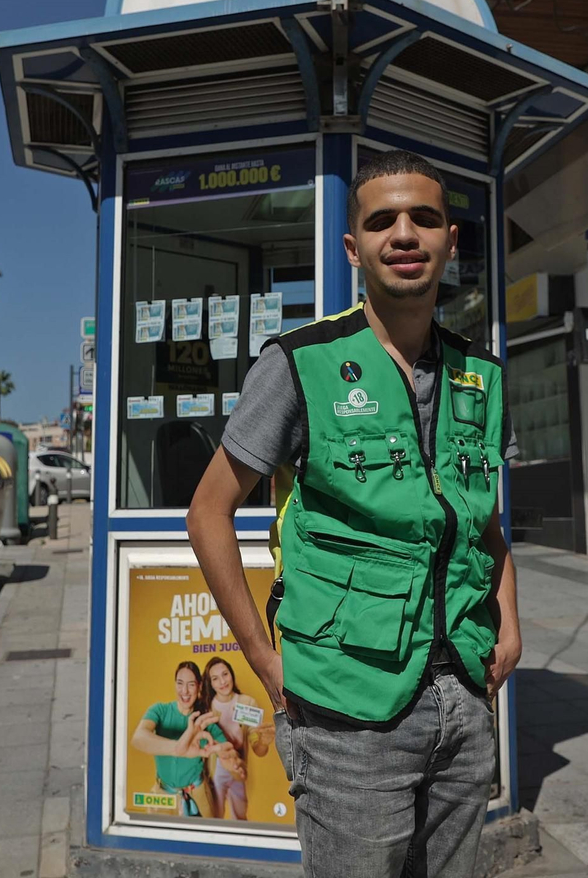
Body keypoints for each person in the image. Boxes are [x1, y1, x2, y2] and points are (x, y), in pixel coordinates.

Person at [188, 150, 522, 877]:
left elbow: (484, 524)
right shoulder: (300, 363)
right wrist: (266, 662)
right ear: (354, 248)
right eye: (382, 221)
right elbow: (208, 512)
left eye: (424, 218)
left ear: (450, 240)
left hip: (464, 695)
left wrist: (511, 621)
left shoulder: (482, 375)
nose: (404, 234)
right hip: (346, 707)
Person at [129, 661, 233, 817]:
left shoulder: (204, 721)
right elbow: (138, 738)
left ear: (198, 686)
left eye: (191, 684)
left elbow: (228, 751)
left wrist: (225, 754)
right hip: (163, 795)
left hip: (198, 794)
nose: (184, 691)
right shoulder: (160, 710)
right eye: (180, 683)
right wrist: (180, 747)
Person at [204, 656, 273, 819]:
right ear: (210, 683)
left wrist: (263, 742)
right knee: (214, 815)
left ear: (231, 674)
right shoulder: (207, 707)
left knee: (240, 816)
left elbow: (258, 748)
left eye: (225, 674)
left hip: (239, 766)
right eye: (215, 678)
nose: (222, 681)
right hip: (216, 769)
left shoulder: (247, 703)